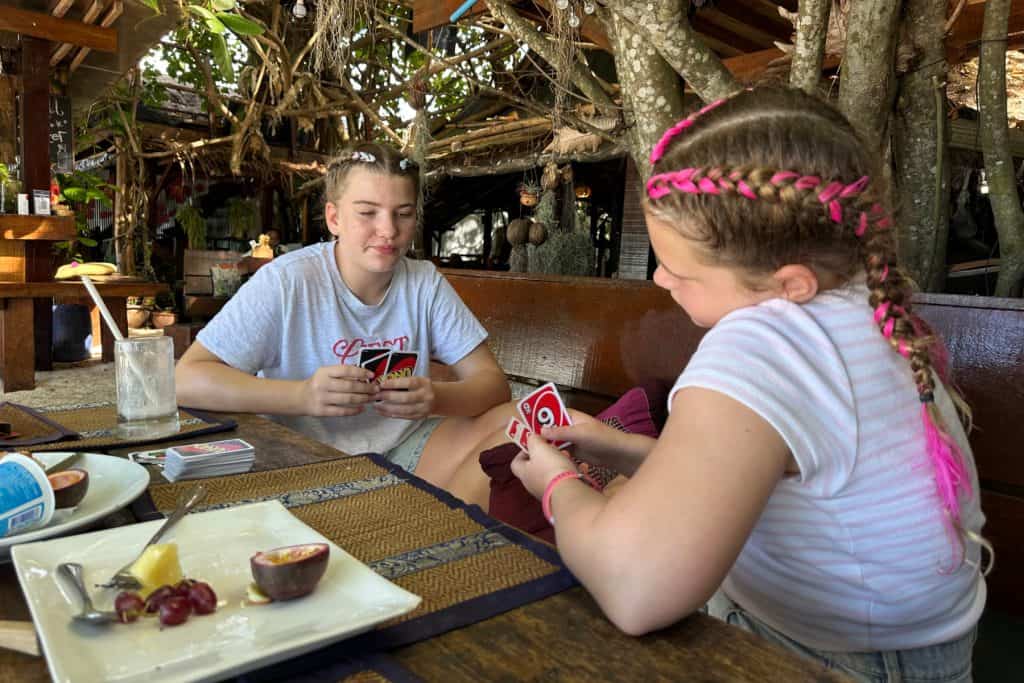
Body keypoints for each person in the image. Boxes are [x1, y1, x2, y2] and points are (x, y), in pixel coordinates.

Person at [509, 87, 990, 682]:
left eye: (680, 270)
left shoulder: (766, 344)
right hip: (921, 653)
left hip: (828, 659)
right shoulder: (863, 307)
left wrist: (554, 486)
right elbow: (785, 481)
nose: (661, 279)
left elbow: (636, 590)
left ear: (788, 283)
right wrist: (620, 449)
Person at [176, 143, 511, 502]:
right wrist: (302, 395)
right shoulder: (288, 281)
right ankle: (421, 517)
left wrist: (435, 397)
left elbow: (493, 386)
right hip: (304, 458)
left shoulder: (423, 282)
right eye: (368, 212)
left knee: (522, 420)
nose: (388, 230)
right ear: (334, 218)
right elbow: (185, 380)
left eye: (403, 213)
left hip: (410, 448)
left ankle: (439, 525)